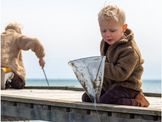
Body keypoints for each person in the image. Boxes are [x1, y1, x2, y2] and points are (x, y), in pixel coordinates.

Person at [82, 5, 150, 107]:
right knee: (87, 97)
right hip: (110, 85)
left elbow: (121, 74)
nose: (107, 35)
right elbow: (105, 64)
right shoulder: (105, 43)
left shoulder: (130, 50)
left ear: (123, 28)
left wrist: (101, 65)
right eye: (103, 31)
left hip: (128, 86)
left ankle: (139, 101)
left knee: (107, 100)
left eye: (112, 31)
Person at [1, 23, 45, 89]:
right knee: (20, 84)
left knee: (6, 84)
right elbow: (35, 42)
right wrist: (41, 57)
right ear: (19, 31)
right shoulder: (17, 36)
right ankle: (8, 72)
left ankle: (5, 76)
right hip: (9, 67)